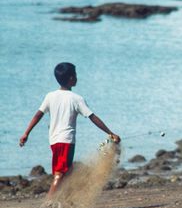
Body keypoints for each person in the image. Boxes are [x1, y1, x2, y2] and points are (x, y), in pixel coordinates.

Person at [19, 62, 121, 198]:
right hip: (66, 141)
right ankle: (49, 204)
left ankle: (69, 200)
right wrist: (110, 133)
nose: (77, 77)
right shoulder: (76, 99)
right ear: (72, 78)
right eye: (76, 75)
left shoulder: (50, 96)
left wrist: (26, 133)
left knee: (68, 171)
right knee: (60, 173)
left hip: (54, 141)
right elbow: (92, 117)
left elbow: (38, 115)